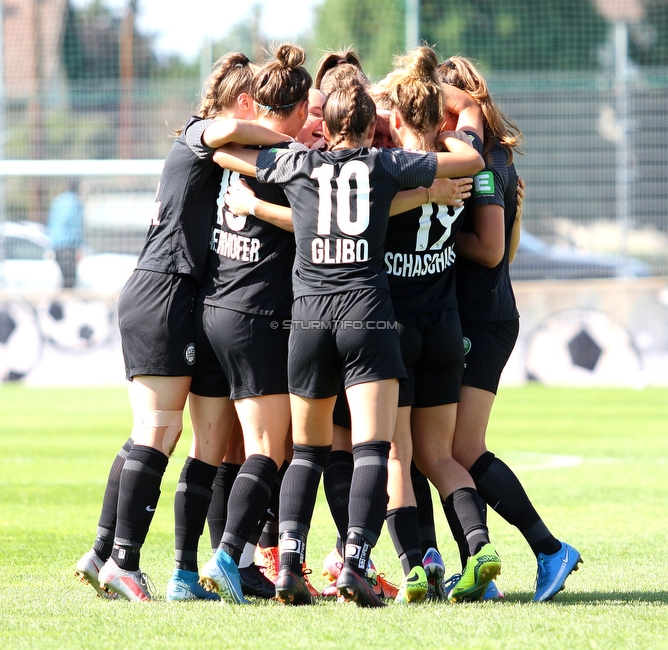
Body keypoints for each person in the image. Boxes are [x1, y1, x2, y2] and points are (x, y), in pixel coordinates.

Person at [213, 79, 484, 607]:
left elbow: (230, 154)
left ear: (329, 125)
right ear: (368, 127)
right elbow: (470, 164)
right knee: (372, 449)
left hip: (309, 319)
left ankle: (288, 563)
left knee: (307, 452)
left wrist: (244, 168)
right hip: (368, 316)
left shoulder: (297, 163)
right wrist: (455, 141)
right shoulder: (384, 166)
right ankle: (354, 563)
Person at [73, 51, 292, 602]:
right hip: (164, 291)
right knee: (159, 431)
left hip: (173, 294)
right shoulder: (201, 133)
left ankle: (104, 550)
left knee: (160, 432)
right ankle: (123, 560)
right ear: (245, 103)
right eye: (258, 109)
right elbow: (222, 128)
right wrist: (277, 135)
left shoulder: (219, 152)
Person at [439, 55, 582, 603]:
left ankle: (548, 549)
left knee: (458, 450)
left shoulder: (478, 159)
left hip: (482, 319)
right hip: (484, 312)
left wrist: (437, 236)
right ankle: (479, 570)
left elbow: (491, 250)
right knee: (444, 450)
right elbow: (509, 252)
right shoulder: (491, 155)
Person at [375, 45, 502, 604]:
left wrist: (401, 82)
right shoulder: (459, 164)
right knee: (441, 454)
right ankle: (479, 548)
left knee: (398, 456)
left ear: (397, 117)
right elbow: (471, 127)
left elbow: (366, 105)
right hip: (446, 327)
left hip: (397, 328)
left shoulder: (390, 169)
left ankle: (415, 567)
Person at [188, 43, 312, 605]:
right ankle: (228, 557)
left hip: (215, 309)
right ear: (297, 107)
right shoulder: (284, 161)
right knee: (271, 447)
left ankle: (215, 565)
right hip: (258, 315)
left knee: (226, 450)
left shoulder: (236, 143)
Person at [47, 180, 84, 289]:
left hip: (57, 246)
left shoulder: (58, 201)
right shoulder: (75, 203)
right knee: (70, 281)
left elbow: (51, 223)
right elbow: (77, 227)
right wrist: (79, 247)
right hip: (69, 246)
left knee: (65, 279)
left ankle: (60, 303)